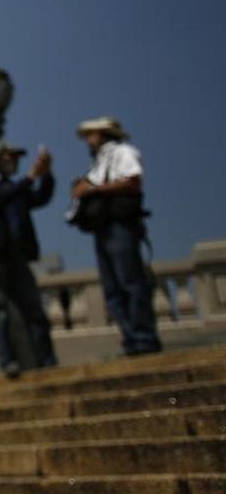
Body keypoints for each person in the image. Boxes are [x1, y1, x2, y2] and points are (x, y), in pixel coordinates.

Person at [72, 116, 160, 356]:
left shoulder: (123, 152)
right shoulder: (98, 163)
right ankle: (131, 338)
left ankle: (143, 337)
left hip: (121, 225)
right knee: (112, 287)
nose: (88, 140)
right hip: (103, 227)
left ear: (102, 134)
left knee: (130, 281)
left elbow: (133, 182)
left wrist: (93, 189)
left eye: (91, 135)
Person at [0, 142, 58, 377]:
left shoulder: (15, 187)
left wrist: (46, 174)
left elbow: (39, 198)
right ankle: (9, 362)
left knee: (33, 307)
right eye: (11, 157)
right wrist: (30, 177)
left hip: (16, 254)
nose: (15, 162)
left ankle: (46, 359)